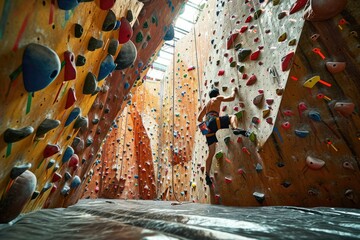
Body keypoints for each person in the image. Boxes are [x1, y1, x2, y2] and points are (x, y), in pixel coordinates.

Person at [197, 87, 247, 186]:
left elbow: (199, 119)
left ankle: (207, 176)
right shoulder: (217, 98)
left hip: (207, 127)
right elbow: (231, 98)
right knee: (232, 117)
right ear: (217, 94)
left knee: (211, 153)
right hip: (214, 121)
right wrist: (234, 90)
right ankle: (235, 128)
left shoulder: (206, 105)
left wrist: (207, 117)